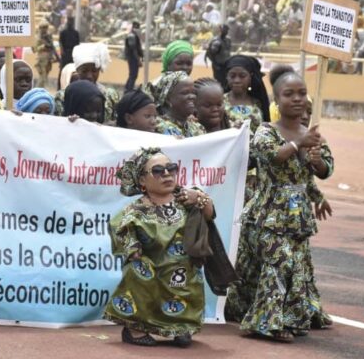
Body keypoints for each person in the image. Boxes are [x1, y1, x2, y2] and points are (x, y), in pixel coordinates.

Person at [237, 71, 333, 341]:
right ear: (277, 100)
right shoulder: (266, 131)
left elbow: (326, 171)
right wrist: (297, 144)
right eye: (289, 94)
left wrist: (316, 161)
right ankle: (266, 323)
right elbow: (271, 157)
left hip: (299, 217)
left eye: (301, 93)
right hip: (268, 215)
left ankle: (292, 319)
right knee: (278, 265)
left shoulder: (313, 137)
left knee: (298, 269)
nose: (297, 99)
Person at [105, 148, 215, 347]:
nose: (166, 174)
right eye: (157, 170)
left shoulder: (186, 198)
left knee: (188, 281)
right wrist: (132, 247)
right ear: (142, 182)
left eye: (171, 168)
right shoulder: (136, 208)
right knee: (138, 272)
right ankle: (135, 330)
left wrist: (200, 197)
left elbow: (209, 214)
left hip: (182, 266)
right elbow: (118, 227)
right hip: (151, 265)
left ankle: (181, 328)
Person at [55, 43, 119, 119]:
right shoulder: (63, 96)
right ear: (77, 70)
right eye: (84, 71)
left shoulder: (110, 95)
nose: (89, 76)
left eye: (94, 71)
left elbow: (117, 122)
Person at [223, 55, 270, 133]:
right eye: (232, 76)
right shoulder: (219, 102)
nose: (237, 80)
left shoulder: (258, 103)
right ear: (227, 77)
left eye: (242, 76)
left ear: (250, 77)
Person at [152, 71, 205, 138]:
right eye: (185, 93)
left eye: (193, 92)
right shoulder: (157, 128)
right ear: (168, 99)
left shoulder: (198, 128)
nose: (192, 96)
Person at [34, 21, 59, 89]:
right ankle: (41, 88)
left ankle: (40, 88)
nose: (44, 29)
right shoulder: (37, 37)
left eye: (46, 27)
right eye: (43, 27)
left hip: (48, 57)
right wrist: (43, 46)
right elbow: (34, 49)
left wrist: (56, 56)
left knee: (46, 73)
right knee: (43, 76)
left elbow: (52, 46)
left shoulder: (48, 36)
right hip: (41, 57)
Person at [124, 22, 144, 91]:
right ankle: (129, 89)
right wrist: (138, 60)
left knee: (132, 74)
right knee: (133, 75)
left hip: (132, 57)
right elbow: (134, 49)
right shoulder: (132, 36)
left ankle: (127, 88)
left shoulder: (134, 35)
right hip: (133, 58)